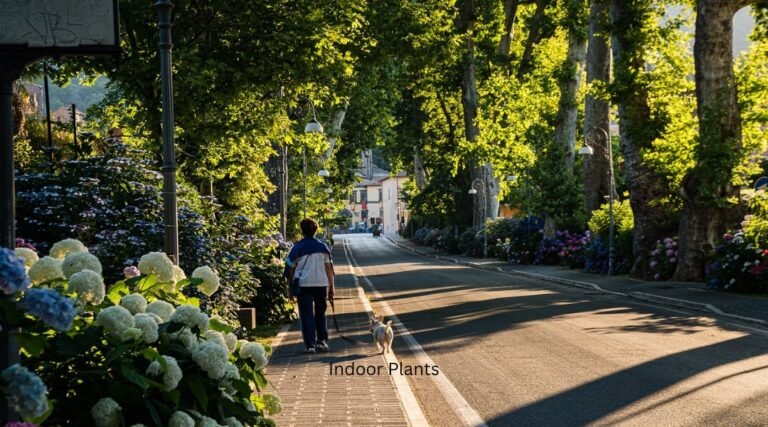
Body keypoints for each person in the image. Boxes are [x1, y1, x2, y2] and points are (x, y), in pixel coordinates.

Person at [286, 218, 335, 354]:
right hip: (321, 284)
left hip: (303, 285)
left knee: (306, 314)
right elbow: (329, 269)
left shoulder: (297, 248)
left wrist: (290, 287)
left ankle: (310, 345)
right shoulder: (323, 247)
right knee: (321, 313)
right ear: (316, 230)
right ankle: (321, 341)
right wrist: (332, 288)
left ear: (302, 230)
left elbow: (290, 269)